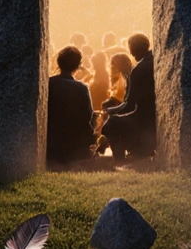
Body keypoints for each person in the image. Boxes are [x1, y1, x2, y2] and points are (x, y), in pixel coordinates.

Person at [101, 32, 155, 161]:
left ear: (133, 49)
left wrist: (110, 112)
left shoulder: (139, 69)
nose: (131, 54)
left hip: (144, 121)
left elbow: (130, 104)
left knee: (110, 124)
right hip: (152, 117)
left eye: (131, 50)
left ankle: (120, 160)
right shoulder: (153, 62)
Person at [47, 46, 95, 164]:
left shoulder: (49, 84)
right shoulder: (82, 88)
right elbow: (88, 116)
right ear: (78, 66)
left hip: (52, 142)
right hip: (75, 144)